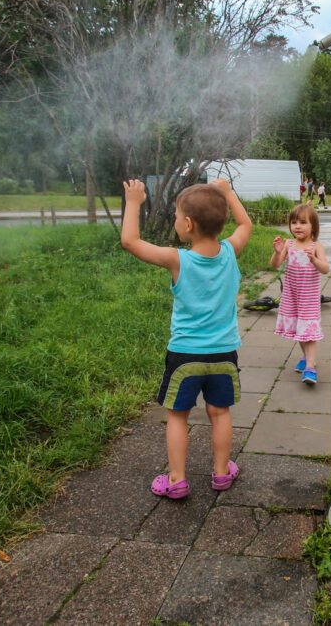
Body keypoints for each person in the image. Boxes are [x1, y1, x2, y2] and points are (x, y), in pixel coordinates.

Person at [120, 177, 252, 500]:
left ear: (189, 224)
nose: (175, 220)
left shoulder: (178, 259)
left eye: (177, 216)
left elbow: (130, 242)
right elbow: (245, 224)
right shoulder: (230, 252)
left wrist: (134, 203)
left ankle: (177, 480)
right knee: (220, 414)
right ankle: (221, 473)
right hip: (224, 355)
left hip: (185, 356)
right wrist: (228, 192)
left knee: (178, 417)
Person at [271, 204, 329, 384]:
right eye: (294, 222)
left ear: (314, 226)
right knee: (299, 329)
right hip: (292, 295)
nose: (297, 226)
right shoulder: (288, 244)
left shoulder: (316, 246)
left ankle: (310, 367)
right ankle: (306, 358)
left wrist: (314, 259)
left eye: (303, 222)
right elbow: (275, 265)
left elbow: (325, 269)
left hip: (309, 297)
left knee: (308, 331)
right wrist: (277, 253)